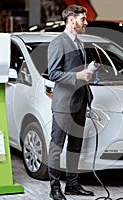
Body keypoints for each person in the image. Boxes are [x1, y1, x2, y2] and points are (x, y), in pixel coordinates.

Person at [47, 4, 95, 200]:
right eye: (83, 19)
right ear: (71, 20)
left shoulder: (80, 43)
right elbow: (53, 73)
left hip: (80, 102)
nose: (86, 22)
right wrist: (78, 75)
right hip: (63, 104)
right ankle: (54, 187)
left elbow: (78, 73)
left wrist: (87, 75)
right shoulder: (58, 42)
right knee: (57, 147)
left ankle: (73, 185)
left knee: (75, 146)